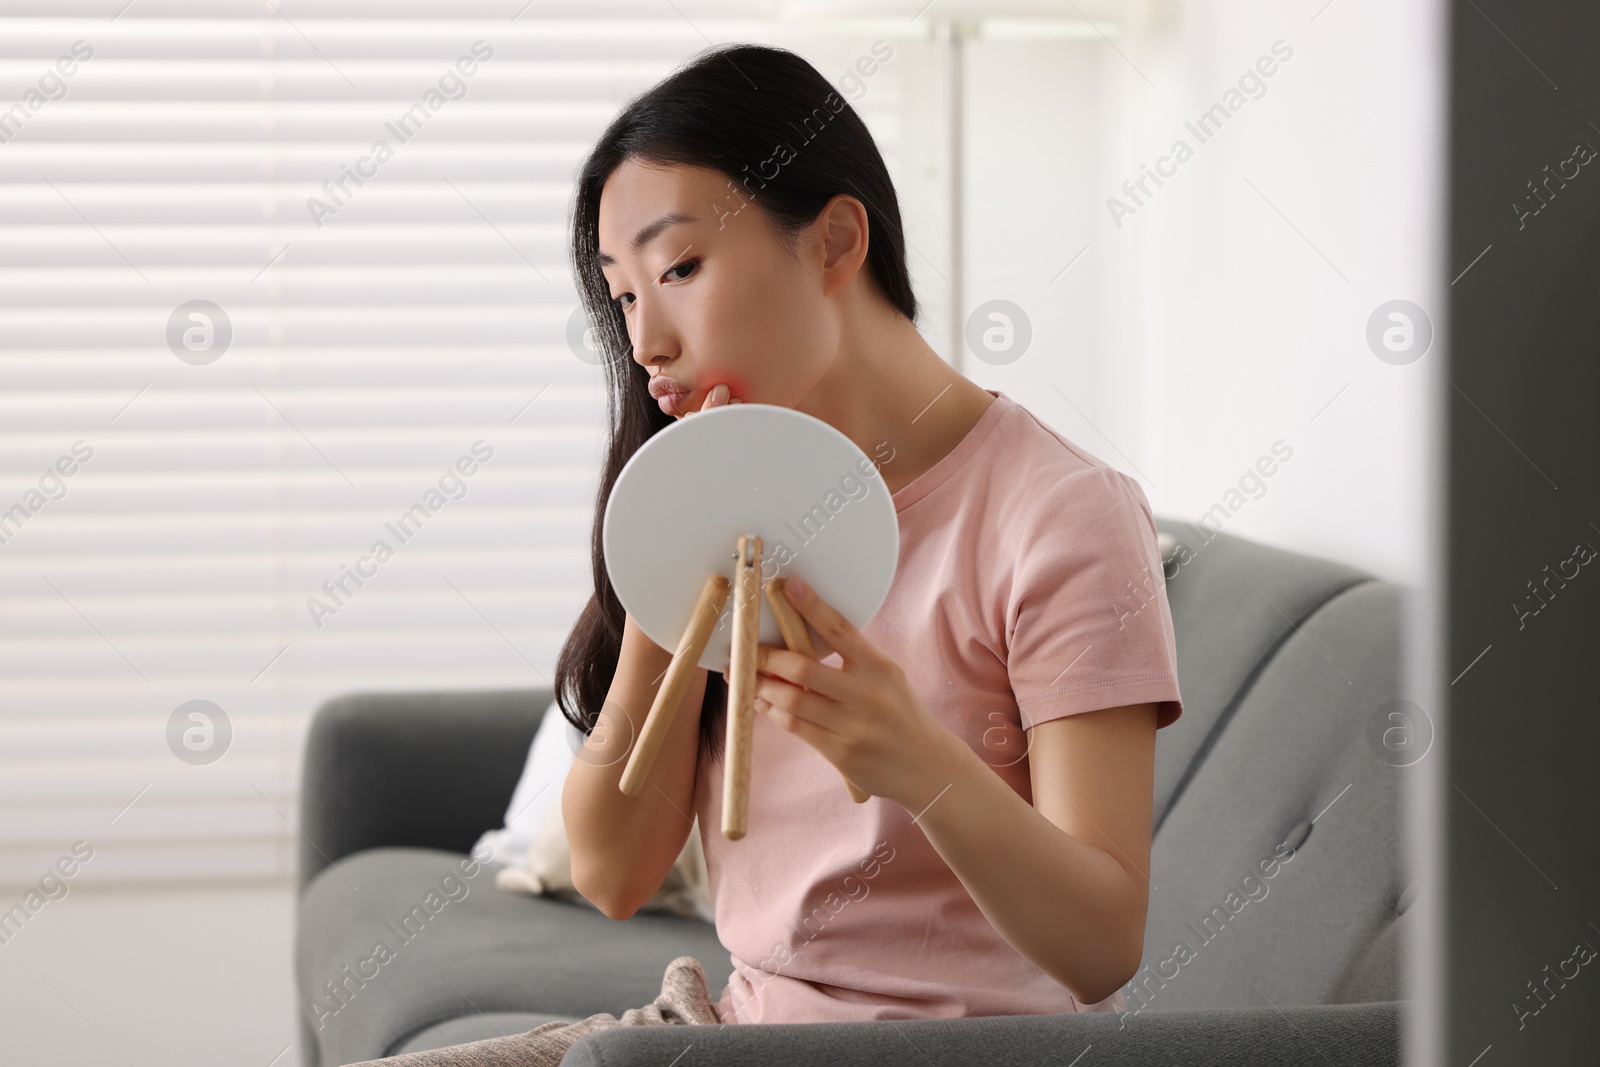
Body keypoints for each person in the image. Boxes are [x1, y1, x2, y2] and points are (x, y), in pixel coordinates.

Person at [349, 39, 1184, 1065]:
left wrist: (919, 764)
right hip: (730, 1028)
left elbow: (1103, 944)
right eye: (621, 295)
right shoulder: (726, 505)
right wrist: (668, 576)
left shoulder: (1062, 514)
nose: (645, 337)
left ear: (834, 240)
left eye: (680, 268)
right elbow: (612, 875)